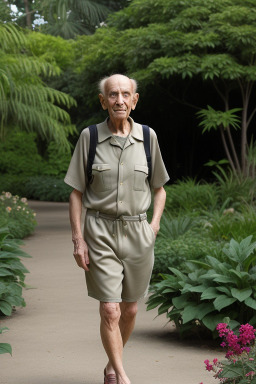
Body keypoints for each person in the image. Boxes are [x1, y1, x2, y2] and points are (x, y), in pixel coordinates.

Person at [64, 74, 169, 384]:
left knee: (131, 310)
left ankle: (112, 364)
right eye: (113, 95)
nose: (119, 100)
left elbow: (160, 188)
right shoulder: (90, 137)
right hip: (100, 231)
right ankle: (121, 377)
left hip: (139, 233)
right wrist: (77, 238)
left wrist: (154, 225)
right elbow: (76, 192)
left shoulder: (148, 137)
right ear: (103, 101)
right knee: (110, 309)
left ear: (134, 100)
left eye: (126, 94)